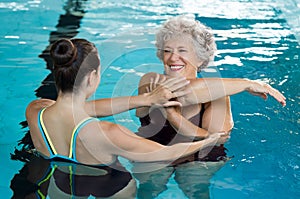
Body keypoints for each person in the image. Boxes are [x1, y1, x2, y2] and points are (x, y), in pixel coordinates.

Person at [25, 38, 222, 198]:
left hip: (61, 187)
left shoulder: (36, 111)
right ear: (92, 76)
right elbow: (165, 154)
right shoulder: (106, 133)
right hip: (111, 188)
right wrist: (211, 139)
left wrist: (145, 99)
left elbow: (82, 109)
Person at [133, 15, 286, 198]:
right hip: (156, 149)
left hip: (200, 157)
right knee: (149, 188)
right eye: (167, 51)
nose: (173, 58)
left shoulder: (220, 95)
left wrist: (173, 116)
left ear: (199, 59)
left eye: (183, 50)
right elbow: (184, 93)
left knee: (194, 185)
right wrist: (246, 83)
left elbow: (218, 139)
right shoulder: (150, 80)